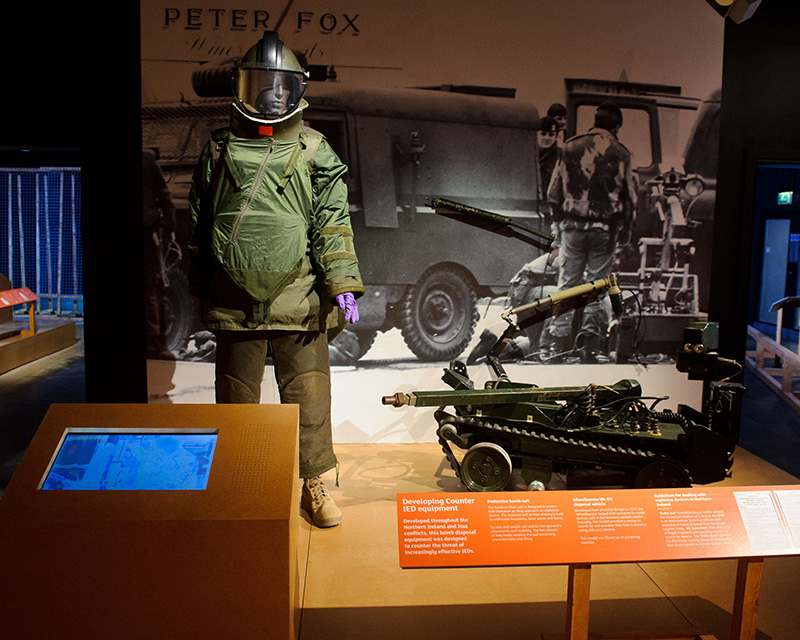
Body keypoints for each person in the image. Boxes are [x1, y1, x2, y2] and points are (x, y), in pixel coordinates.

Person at [187, 31, 364, 527]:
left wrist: (343, 284)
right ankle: (237, 485)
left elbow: (333, 222)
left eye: (280, 86)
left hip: (299, 300)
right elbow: (200, 224)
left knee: (308, 396)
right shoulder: (219, 150)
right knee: (236, 405)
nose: (272, 96)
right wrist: (200, 288)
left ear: (297, 90)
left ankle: (315, 481)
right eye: (261, 86)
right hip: (233, 300)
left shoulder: (314, 151)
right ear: (243, 89)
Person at [546, 102, 637, 363]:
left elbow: (554, 193)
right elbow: (630, 199)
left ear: (594, 121)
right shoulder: (621, 153)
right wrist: (626, 233)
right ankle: (589, 347)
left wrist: (559, 225)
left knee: (567, 285)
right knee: (596, 287)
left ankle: (558, 346)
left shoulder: (570, 146)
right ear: (616, 126)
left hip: (572, 228)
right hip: (603, 230)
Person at [142, 148, 177, 359]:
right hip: (148, 232)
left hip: (147, 232)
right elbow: (164, 195)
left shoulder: (146, 161)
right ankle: (154, 342)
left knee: (150, 290)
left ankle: (154, 341)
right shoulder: (146, 161)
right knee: (151, 291)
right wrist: (169, 224)